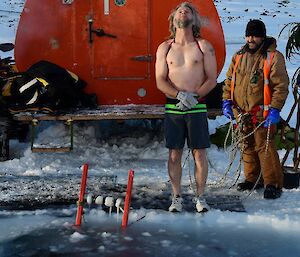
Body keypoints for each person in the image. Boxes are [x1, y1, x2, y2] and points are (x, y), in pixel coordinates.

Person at [155, 2, 217, 212]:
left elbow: (212, 78)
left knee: (199, 154)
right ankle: (176, 197)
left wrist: (195, 96)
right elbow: (160, 80)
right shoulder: (165, 48)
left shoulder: (203, 46)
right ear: (173, 20)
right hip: (174, 107)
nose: (183, 11)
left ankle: (200, 197)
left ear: (194, 19)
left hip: (196, 107)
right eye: (179, 10)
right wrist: (179, 95)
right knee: (174, 154)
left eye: (187, 10)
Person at [222, 19, 289, 199]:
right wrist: (226, 100)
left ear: (262, 36)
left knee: (264, 146)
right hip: (242, 112)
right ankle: (252, 179)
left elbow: (281, 86)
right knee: (247, 146)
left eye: (255, 35)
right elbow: (229, 81)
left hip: (263, 113)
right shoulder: (238, 56)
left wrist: (275, 109)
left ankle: (273, 183)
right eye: (249, 35)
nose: (251, 39)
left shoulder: (273, 57)